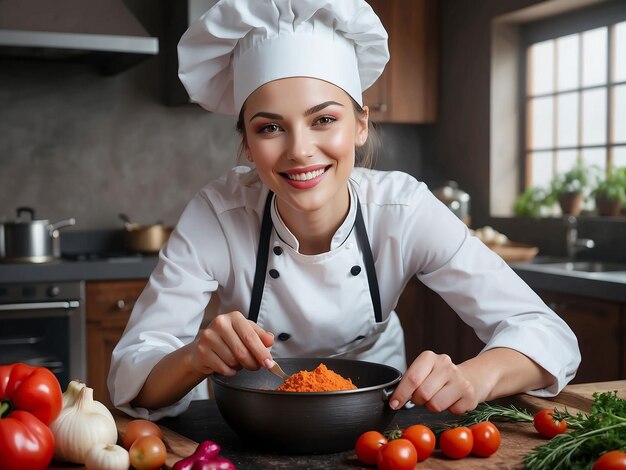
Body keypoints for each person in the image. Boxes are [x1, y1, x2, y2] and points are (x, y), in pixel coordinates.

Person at [108, 0, 580, 420]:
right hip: (255, 419)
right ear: (248, 146)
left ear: (359, 125)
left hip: (382, 414)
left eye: (324, 120)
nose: (300, 150)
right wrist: (196, 356)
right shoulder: (217, 214)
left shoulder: (404, 209)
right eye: (270, 128)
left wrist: (476, 377)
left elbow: (547, 333)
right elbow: (133, 376)